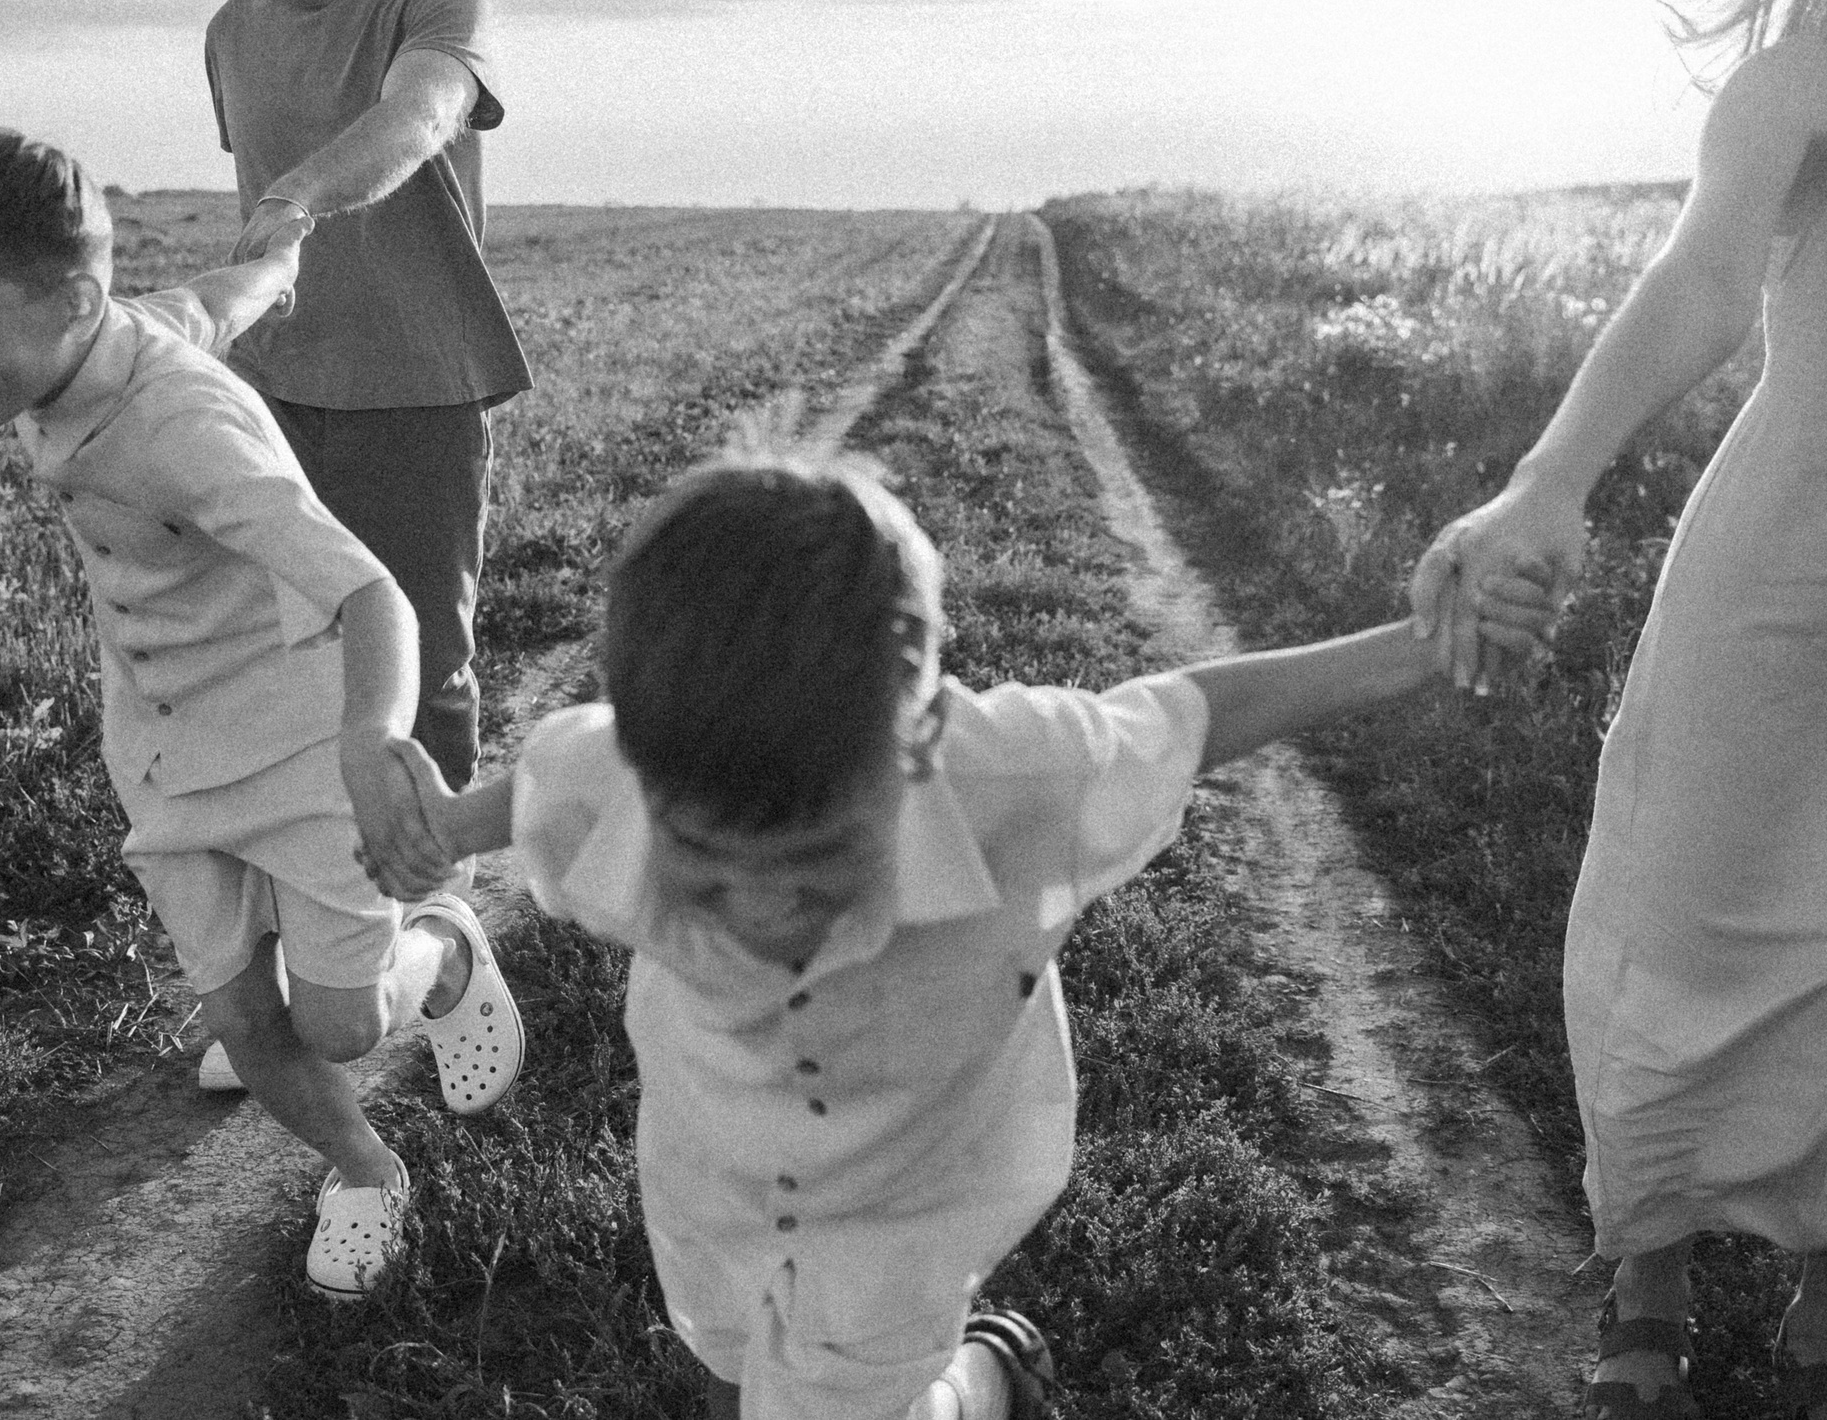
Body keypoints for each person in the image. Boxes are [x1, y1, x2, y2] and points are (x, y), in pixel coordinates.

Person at [365, 452, 1550, 1420]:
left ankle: (983, 1378)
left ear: (922, 739)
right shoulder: (614, 768)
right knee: (727, 1366)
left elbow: (1198, 715)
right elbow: (544, 783)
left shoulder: (1023, 777)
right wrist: (447, 826)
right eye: (708, 866)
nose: (765, 907)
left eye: (817, 862)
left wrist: (1424, 641)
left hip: (915, 1194)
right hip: (709, 1164)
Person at [1409, 0, 1827, 1414]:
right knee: (1688, 927)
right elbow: (1703, 283)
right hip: (1792, 577)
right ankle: (1646, 1281)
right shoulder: (1821, 80)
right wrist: (1548, 480)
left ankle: (1826, 1333)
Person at [0, 128, 525, 1302]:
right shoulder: (79, 344)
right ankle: (367, 1170)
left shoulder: (185, 427)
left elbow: (369, 593)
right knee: (236, 1013)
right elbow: (215, 302)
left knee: (339, 1028)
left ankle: (439, 954)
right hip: (163, 747)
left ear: (73, 302)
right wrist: (279, 256)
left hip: (297, 743)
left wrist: (368, 742)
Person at [204, 0, 526, 798]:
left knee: (421, 680)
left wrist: (297, 195)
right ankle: (319, 885)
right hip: (273, 399)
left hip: (415, 392)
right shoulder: (232, 27)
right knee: (289, 674)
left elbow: (420, 115)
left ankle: (433, 886)